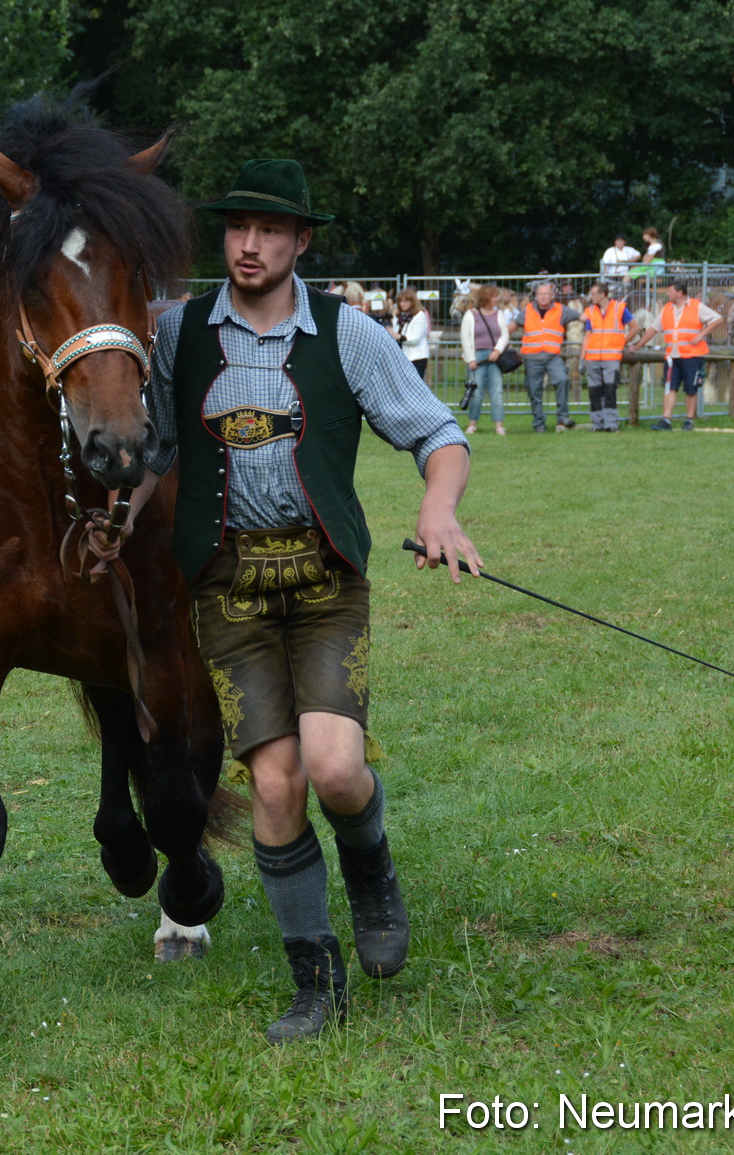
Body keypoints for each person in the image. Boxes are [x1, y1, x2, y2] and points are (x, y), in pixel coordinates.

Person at [98, 158, 477, 1044]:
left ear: (301, 241)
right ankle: (316, 979)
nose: (250, 245)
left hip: (322, 583)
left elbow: (439, 431)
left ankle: (371, 865)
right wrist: (118, 524)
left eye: (270, 231)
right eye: (237, 229)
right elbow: (150, 453)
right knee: (276, 782)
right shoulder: (179, 334)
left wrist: (438, 505)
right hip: (228, 588)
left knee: (338, 770)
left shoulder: (347, 334)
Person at [636, 278, 722, 431]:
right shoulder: (667, 309)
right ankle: (666, 419)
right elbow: (653, 329)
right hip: (672, 356)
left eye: (670, 291)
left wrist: (701, 334)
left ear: (679, 293)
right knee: (670, 387)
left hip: (692, 355)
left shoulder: (696, 306)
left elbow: (717, 319)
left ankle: (689, 420)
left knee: (691, 388)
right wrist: (638, 345)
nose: (667, 294)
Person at [510, 281, 581, 432]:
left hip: (553, 356)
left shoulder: (561, 310)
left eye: (546, 294)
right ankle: (539, 423)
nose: (542, 297)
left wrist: (595, 323)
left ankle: (562, 418)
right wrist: (498, 339)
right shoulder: (527, 310)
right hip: (531, 357)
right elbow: (512, 326)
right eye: (540, 294)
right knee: (534, 391)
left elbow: (583, 317)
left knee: (562, 379)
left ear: (552, 296)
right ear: (535, 296)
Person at [580, 283, 635, 431]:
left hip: (611, 356)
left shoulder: (619, 308)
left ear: (603, 294)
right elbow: (587, 335)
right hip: (592, 357)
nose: (591, 297)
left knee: (610, 391)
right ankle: (597, 424)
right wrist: (582, 357)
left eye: (593, 294)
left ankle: (611, 423)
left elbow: (635, 327)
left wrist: (623, 341)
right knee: (594, 392)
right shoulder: (590, 311)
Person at [459, 284, 508, 435]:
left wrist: (497, 350)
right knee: (476, 392)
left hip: (494, 357)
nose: (497, 299)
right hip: (477, 357)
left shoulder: (499, 314)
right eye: (494, 296)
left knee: (497, 391)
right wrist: (470, 359)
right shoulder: (470, 315)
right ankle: (472, 424)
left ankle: (499, 425)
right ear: (486, 298)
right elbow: (465, 338)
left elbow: (504, 335)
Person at [388, 287, 430, 381]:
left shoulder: (420, 315)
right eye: (400, 301)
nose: (402, 304)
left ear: (412, 302)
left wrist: (397, 336)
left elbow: (415, 339)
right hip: (403, 357)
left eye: (406, 301)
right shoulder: (399, 316)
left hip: (417, 357)